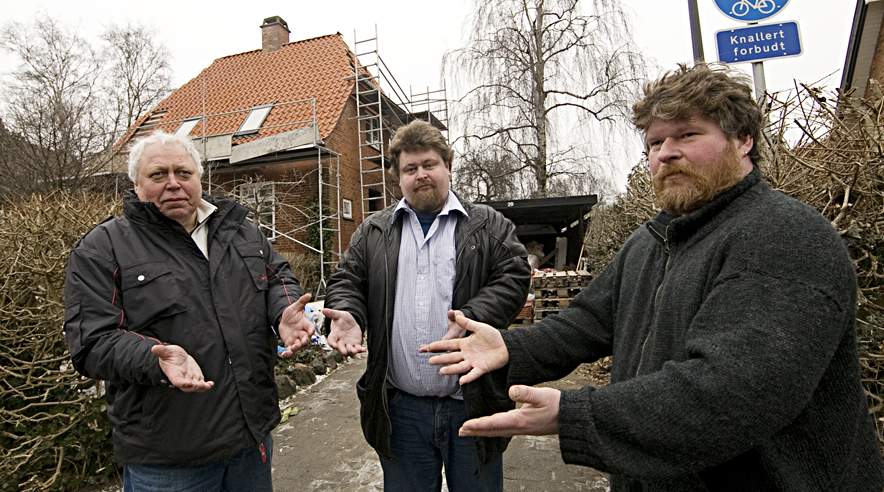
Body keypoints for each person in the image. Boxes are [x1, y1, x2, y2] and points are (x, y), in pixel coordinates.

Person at [423, 64, 884, 491]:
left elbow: (732, 392)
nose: (666, 154)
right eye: (654, 144)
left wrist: (576, 415)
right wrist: (511, 347)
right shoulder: (653, 240)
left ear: (743, 139)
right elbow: (586, 323)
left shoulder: (784, 236)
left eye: (687, 134)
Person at [63, 131, 315, 491]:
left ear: (199, 178)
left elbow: (278, 277)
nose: (173, 184)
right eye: (158, 175)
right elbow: (92, 341)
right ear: (136, 184)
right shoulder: (103, 248)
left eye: (183, 173)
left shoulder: (240, 232)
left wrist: (283, 310)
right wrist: (154, 359)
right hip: (168, 459)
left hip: (250, 440)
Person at [321, 120, 531, 491]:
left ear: (448, 165)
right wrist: (349, 313)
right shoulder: (374, 231)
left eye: (429, 164)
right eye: (410, 169)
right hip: (401, 411)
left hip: (471, 402)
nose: (421, 175)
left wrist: (473, 316)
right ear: (397, 178)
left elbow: (514, 275)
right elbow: (348, 280)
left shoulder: (488, 224)